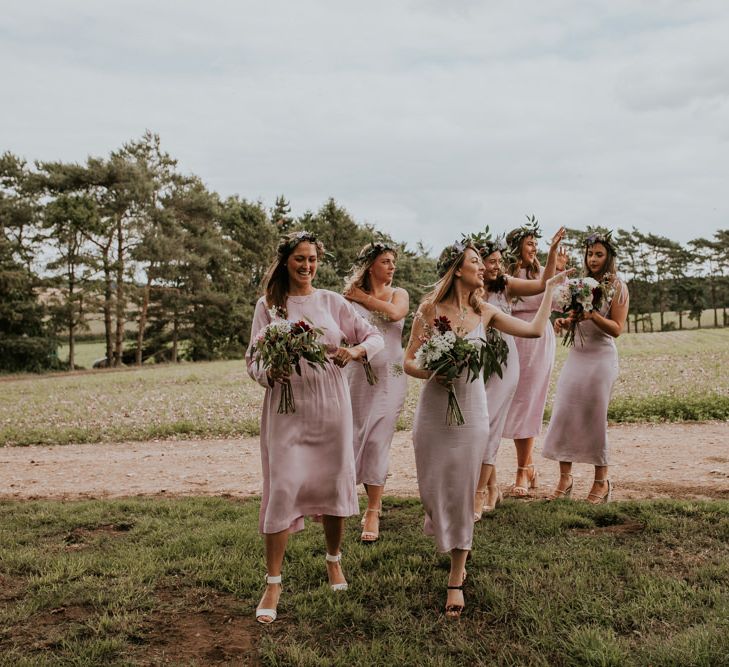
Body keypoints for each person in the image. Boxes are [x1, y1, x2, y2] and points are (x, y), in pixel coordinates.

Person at [403, 239, 566, 618]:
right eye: (476, 262)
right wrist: (431, 371)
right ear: (458, 269)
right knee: (430, 489)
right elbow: (408, 360)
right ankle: (443, 526)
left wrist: (550, 292)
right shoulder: (429, 310)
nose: (484, 267)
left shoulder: (487, 312)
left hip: (473, 410)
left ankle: (456, 577)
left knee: (462, 490)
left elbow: (536, 331)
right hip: (433, 409)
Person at [245, 231, 384, 624]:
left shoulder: (332, 302)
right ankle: (273, 581)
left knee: (332, 480)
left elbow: (372, 338)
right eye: (299, 260)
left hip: (331, 403)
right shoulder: (268, 306)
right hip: (287, 406)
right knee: (283, 485)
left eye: (312, 260)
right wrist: (269, 371)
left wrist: (354, 351)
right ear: (285, 262)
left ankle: (334, 561)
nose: (306, 267)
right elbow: (252, 360)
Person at [472, 227, 565, 519]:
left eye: (500, 260)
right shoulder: (469, 289)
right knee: (482, 422)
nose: (497, 265)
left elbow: (542, 285)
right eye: (491, 260)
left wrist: (550, 254)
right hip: (477, 360)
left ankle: (485, 489)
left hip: (506, 358)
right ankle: (493, 486)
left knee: (491, 422)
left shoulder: (505, 285)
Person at [542, 231, 629, 503]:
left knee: (594, 418)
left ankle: (601, 482)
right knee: (564, 413)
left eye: (599, 254)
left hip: (601, 358)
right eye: (590, 254)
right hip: (577, 356)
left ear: (609, 256)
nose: (593, 259)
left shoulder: (618, 287)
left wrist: (593, 315)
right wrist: (567, 321)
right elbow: (577, 316)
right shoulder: (582, 283)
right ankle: (565, 479)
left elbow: (616, 328)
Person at [343, 241, 409, 543]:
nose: (392, 266)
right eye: (385, 261)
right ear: (371, 266)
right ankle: (371, 501)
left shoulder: (400, 294)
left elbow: (396, 315)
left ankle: (372, 510)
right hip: (357, 377)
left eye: (393, 261)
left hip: (391, 377)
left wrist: (363, 299)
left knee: (377, 439)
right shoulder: (349, 299)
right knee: (359, 437)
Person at [501, 222, 569, 498]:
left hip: (537, 343)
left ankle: (522, 469)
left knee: (527, 403)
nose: (534, 248)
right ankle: (527, 467)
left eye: (535, 244)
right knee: (510, 402)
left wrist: (560, 273)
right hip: (509, 340)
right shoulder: (504, 276)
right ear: (516, 246)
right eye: (529, 243)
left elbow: (560, 304)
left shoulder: (544, 273)